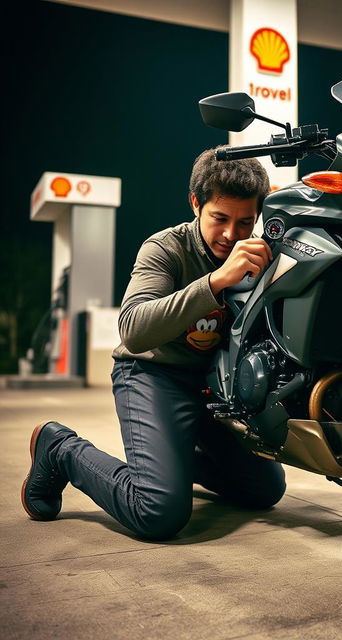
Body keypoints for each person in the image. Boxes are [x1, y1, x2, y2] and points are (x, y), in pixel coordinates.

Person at [21, 149, 286, 540]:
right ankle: (60, 448)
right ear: (196, 204)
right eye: (220, 219)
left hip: (213, 391)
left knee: (266, 489)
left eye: (245, 222)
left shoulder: (258, 255)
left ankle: (172, 463)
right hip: (151, 374)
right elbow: (132, 328)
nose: (232, 234)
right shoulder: (164, 248)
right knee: (158, 513)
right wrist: (216, 282)